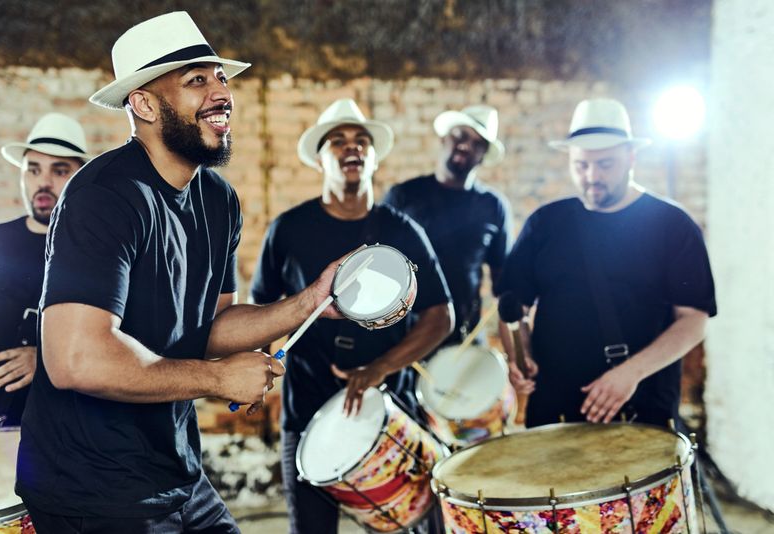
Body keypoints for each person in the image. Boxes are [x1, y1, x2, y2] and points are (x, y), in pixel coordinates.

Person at [16, 12, 344, 533]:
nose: (221, 92)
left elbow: (210, 328)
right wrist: (216, 378)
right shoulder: (104, 196)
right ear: (143, 104)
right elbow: (76, 360)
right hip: (94, 492)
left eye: (220, 77)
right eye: (197, 80)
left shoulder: (218, 199)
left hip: (179, 474)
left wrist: (310, 303)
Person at [250, 98, 453, 534]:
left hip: (389, 406)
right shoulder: (288, 229)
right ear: (319, 158)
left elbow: (442, 315)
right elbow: (261, 310)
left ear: (374, 157)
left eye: (362, 140)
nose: (352, 148)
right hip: (307, 407)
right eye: (337, 141)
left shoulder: (402, 230)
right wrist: (263, 361)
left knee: (423, 525)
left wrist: (380, 368)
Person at [497, 98, 717, 428]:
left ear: (631, 157)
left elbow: (693, 320)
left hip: (642, 408)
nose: (592, 177)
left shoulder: (672, 225)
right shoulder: (544, 223)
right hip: (554, 413)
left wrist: (630, 373)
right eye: (581, 165)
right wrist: (519, 354)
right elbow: (513, 307)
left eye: (605, 164)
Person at [0, 113, 90, 427]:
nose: (43, 182)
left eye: (59, 170)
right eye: (33, 170)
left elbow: (126, 336)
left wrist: (48, 359)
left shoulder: (98, 248)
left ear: (79, 177)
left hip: (68, 433)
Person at [383, 105, 513, 348]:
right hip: (403, 343)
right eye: (461, 135)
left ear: (484, 155)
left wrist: (516, 353)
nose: (467, 146)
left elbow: (504, 286)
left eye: (478, 143)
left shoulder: (493, 206)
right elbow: (378, 269)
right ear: (444, 139)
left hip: (463, 344)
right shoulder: (403, 196)